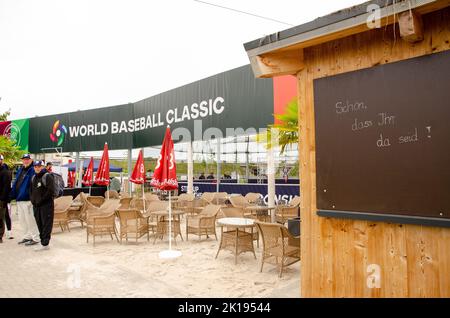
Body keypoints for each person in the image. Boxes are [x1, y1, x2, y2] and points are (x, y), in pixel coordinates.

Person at [10, 154, 40, 246]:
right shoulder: (20, 170)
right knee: (22, 220)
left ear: (31, 160)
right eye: (24, 159)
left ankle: (36, 238)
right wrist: (12, 195)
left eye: (27, 159)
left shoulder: (32, 170)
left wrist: (32, 197)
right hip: (19, 199)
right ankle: (27, 236)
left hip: (28, 199)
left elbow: (34, 184)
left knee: (30, 220)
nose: (26, 161)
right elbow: (16, 183)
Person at [30, 160, 55, 251]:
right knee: (39, 223)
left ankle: (45, 243)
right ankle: (42, 242)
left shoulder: (47, 176)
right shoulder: (33, 177)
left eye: (39, 166)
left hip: (46, 205)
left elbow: (50, 191)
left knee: (46, 224)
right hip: (36, 205)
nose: (37, 168)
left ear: (43, 167)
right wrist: (33, 201)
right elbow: (31, 191)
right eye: (35, 166)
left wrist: (41, 201)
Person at [0, 155, 12, 243]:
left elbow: (6, 187)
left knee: (1, 218)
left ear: (2, 161)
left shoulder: (6, 172)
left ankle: (0, 236)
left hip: (2, 199)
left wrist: (3, 199)